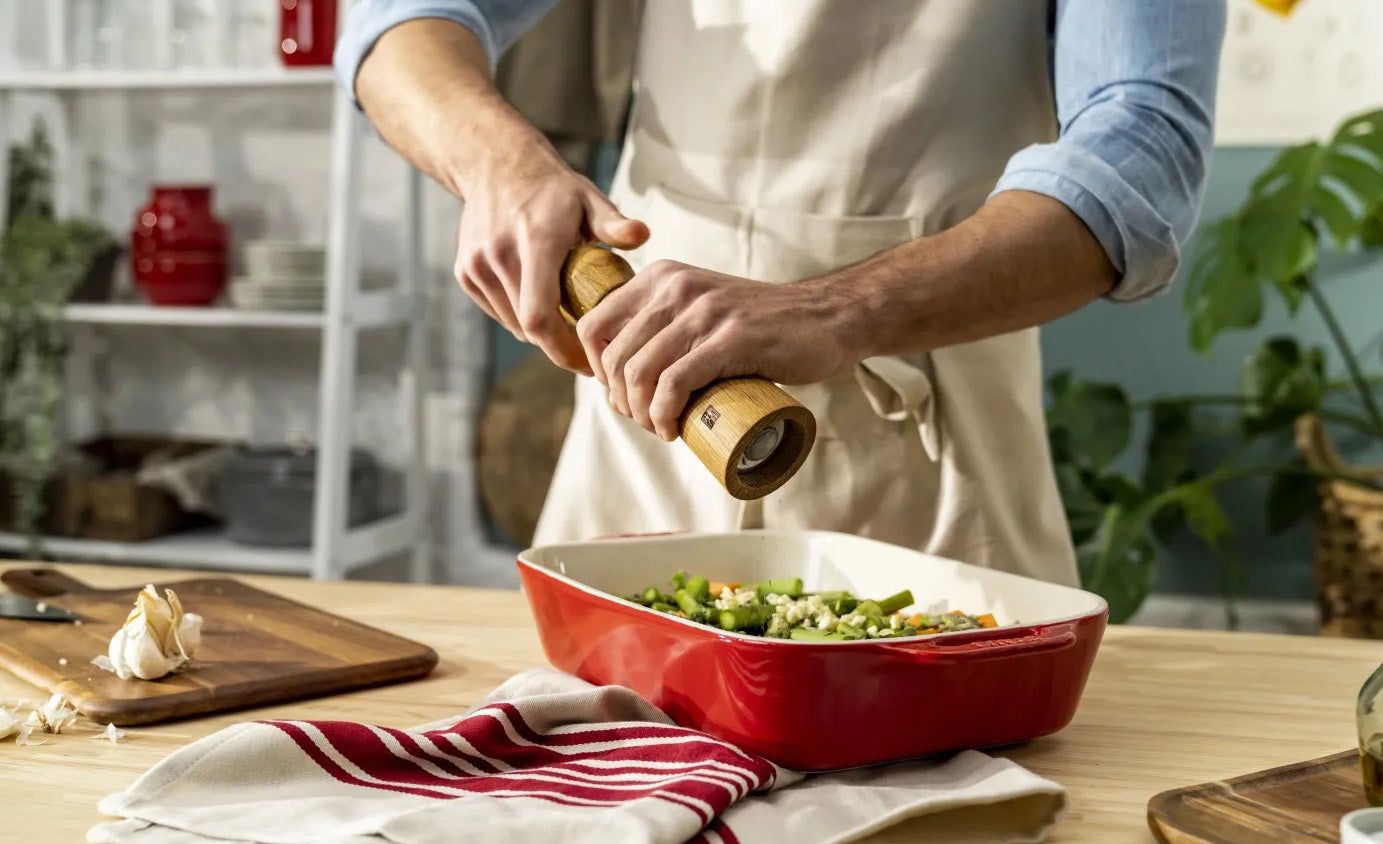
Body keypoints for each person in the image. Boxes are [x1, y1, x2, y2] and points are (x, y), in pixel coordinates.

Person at [335, 0, 1226, 586]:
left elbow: (1143, 150)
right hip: (648, 405)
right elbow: (393, 23)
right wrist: (498, 162)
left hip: (929, 463)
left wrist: (841, 309)